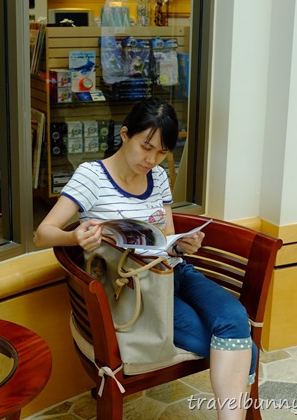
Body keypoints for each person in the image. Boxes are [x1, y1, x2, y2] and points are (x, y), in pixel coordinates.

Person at [35, 97, 254, 420]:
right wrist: (74, 237)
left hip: (172, 271)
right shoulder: (92, 176)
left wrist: (182, 246)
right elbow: (43, 233)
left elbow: (167, 238)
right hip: (136, 290)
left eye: (162, 152)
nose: (151, 159)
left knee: (234, 317)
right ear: (125, 134)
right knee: (240, 345)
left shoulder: (159, 177)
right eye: (145, 147)